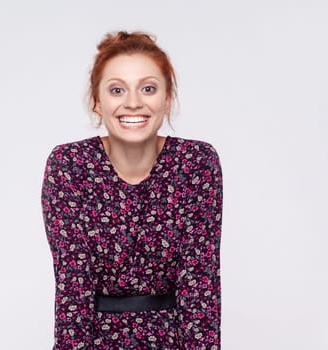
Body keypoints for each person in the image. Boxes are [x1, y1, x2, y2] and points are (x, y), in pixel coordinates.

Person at [41, 31, 223, 349]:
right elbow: (74, 285)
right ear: (97, 102)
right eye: (117, 90)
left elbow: (199, 283)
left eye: (148, 88)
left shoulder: (196, 163)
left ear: (167, 100)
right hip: (94, 341)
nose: (134, 102)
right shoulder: (69, 165)